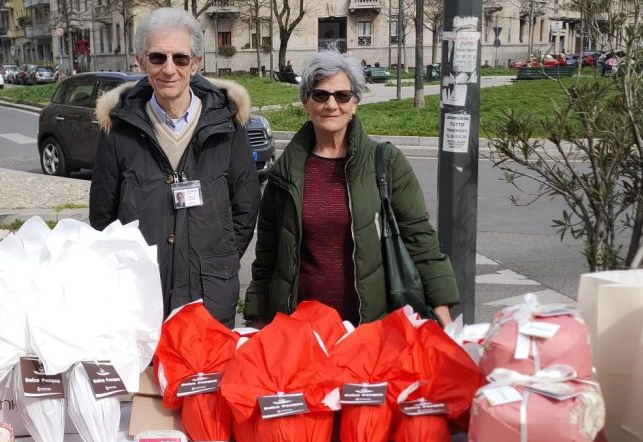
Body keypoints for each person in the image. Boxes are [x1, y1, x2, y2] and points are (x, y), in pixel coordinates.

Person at [243, 50, 457, 328]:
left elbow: (420, 239)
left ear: (355, 102)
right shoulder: (286, 171)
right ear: (306, 102)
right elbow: (268, 255)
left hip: (369, 328)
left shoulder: (386, 163)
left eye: (342, 95)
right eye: (320, 95)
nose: (331, 104)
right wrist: (258, 318)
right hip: (302, 332)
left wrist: (443, 316)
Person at [90, 7, 261, 328]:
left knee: (205, 379)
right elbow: (103, 217)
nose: (169, 69)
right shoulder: (119, 130)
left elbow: (246, 207)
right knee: (146, 379)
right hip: (140, 297)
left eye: (180, 58)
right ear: (140, 61)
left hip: (208, 296)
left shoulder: (227, 125)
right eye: (157, 58)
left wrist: (216, 261)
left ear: (196, 64)